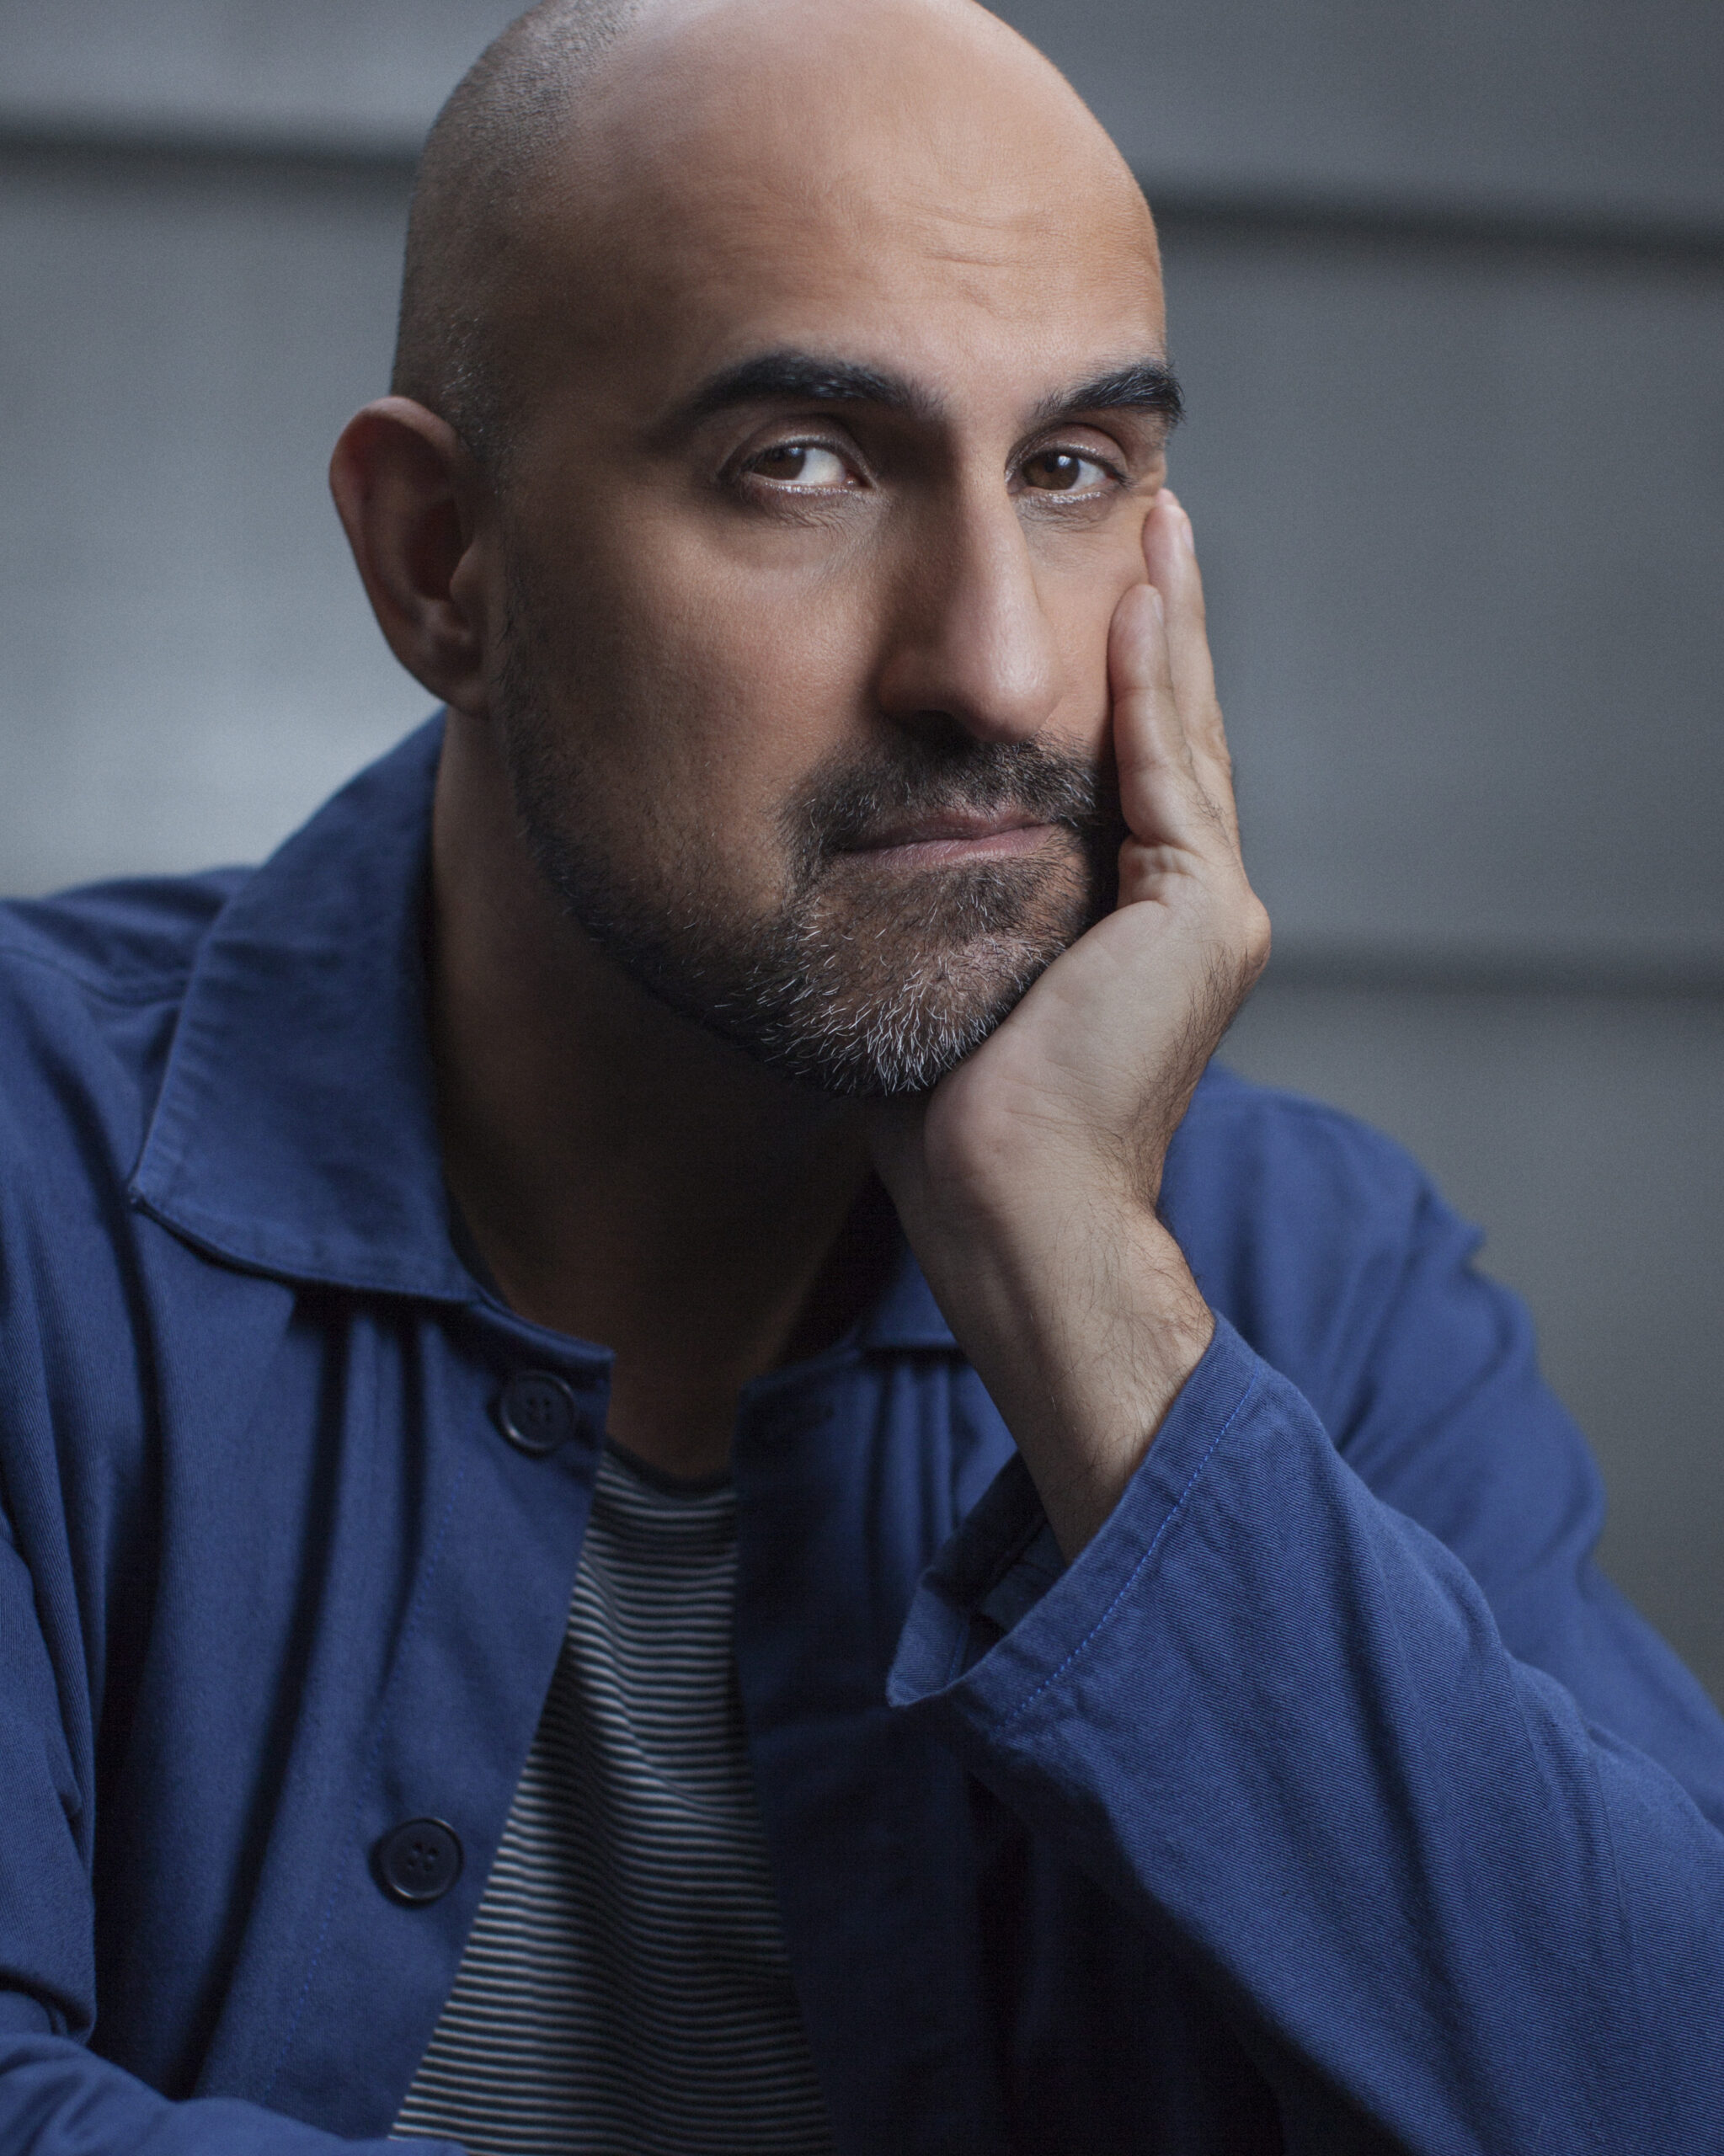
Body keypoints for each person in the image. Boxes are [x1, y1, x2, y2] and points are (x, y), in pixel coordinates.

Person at [2, 0, 1721, 2148]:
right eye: (798, 463)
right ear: (441, 559)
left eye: (1075, 469)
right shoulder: (24, 1177)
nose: (994, 664)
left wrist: (1077, 1288)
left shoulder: (1319, 1277)